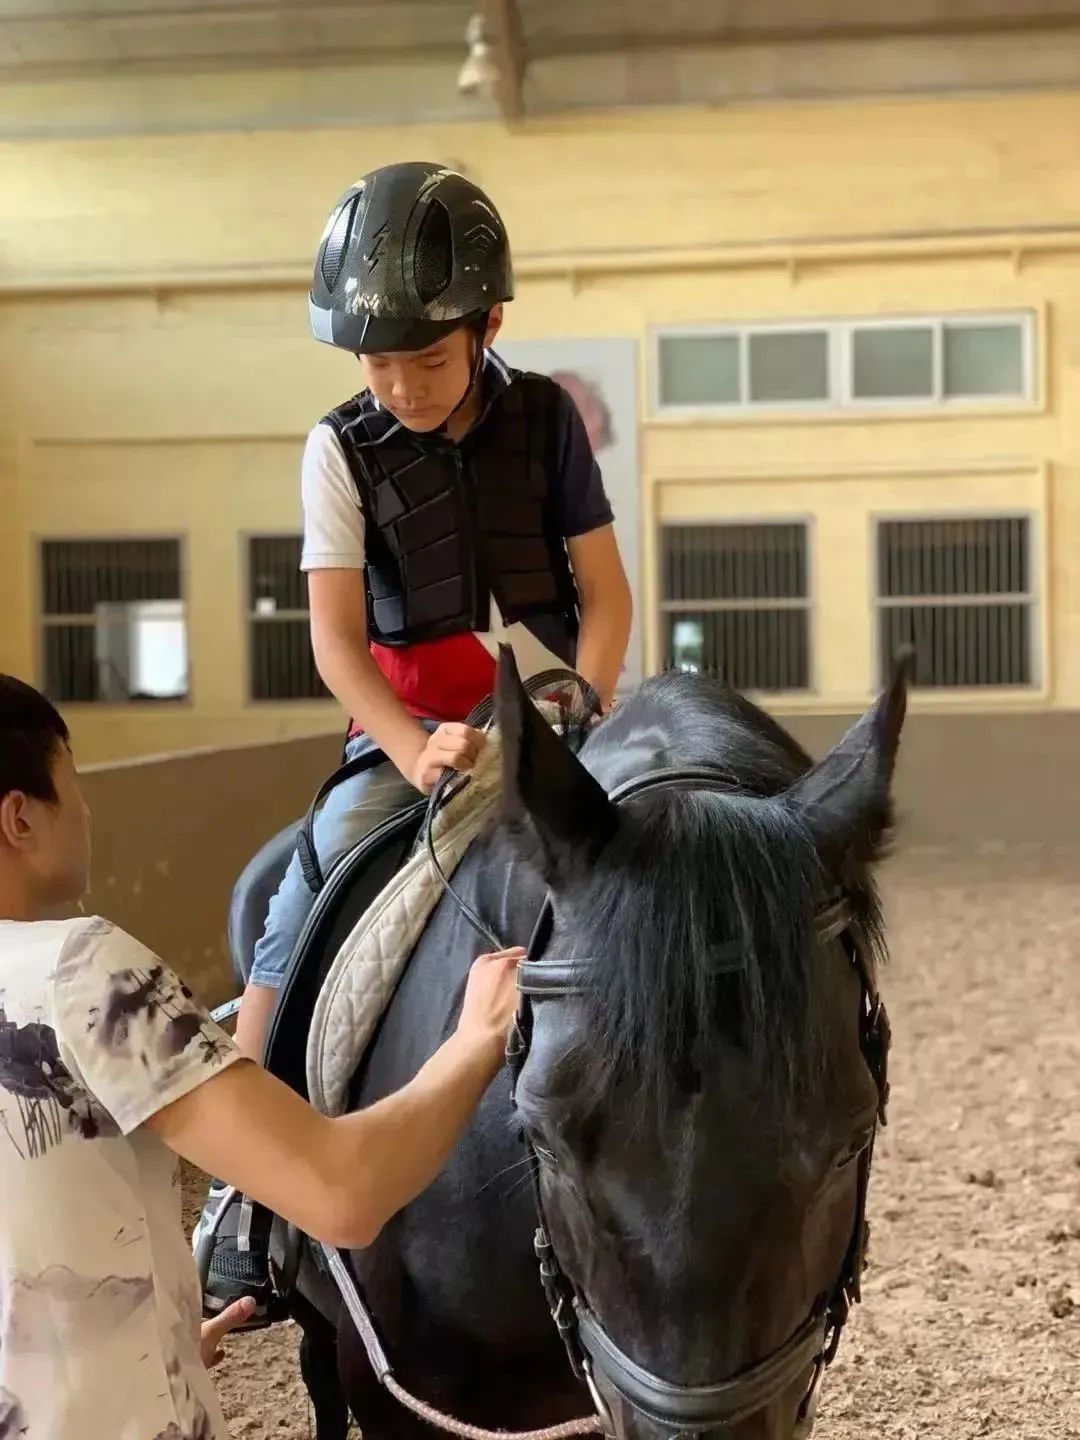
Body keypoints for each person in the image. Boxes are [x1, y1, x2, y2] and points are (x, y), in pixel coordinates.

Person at [195, 160, 633, 1316]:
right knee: (306, 892)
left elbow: (608, 596)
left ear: (488, 324)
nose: (400, 385)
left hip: (553, 720)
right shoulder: (336, 450)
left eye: (427, 359)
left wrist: (581, 713)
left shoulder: (547, 422)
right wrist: (409, 749)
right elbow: (337, 644)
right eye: (376, 364)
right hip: (408, 737)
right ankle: (245, 1202)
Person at [0, 673, 523, 1440]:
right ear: (19, 818)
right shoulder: (85, 971)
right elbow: (341, 1192)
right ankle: (243, 1216)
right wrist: (474, 1042)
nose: (83, 808)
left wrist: (147, 1342)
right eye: (69, 784)